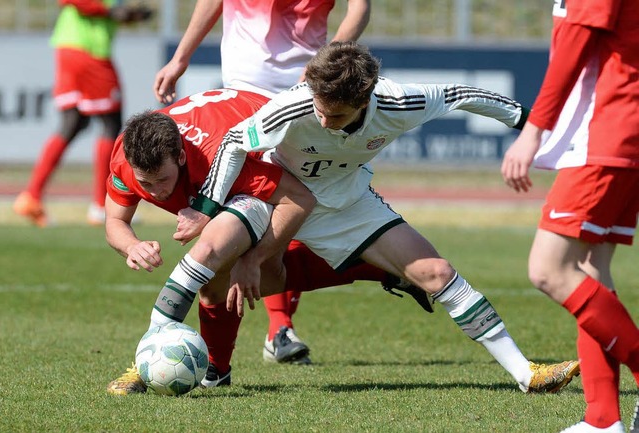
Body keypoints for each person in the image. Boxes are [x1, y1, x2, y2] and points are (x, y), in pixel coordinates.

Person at [168, 42, 581, 397]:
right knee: (214, 269)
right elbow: (235, 143)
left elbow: (464, 94)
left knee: (438, 272)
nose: (325, 122)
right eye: (320, 111)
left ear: (366, 101)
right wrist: (206, 210)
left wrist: (530, 125)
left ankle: (527, 374)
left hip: (347, 203)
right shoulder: (294, 105)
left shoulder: (400, 102)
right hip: (279, 198)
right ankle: (187, 361)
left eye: (337, 116)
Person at [105, 88, 424, 394]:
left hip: (283, 159)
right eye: (145, 183)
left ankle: (144, 368)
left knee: (212, 257)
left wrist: (256, 258)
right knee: (223, 282)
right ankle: (217, 372)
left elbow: (297, 199)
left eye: (163, 180)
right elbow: (115, 222)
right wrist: (132, 245)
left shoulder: (220, 159)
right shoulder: (126, 155)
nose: (156, 192)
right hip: (235, 133)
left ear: (181, 157)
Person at [152, 0, 372, 365]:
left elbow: (359, 9)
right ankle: (253, 344)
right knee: (245, 220)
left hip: (307, 98)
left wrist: (323, 67)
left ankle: (276, 330)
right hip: (241, 97)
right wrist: (180, 57)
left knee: (295, 215)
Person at [500, 0, 639, 431]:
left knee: (548, 269)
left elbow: (572, 53)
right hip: (617, 131)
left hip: (607, 132)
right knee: (589, 271)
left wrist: (531, 134)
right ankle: (602, 420)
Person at [13, 0, 152, 227]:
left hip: (73, 49)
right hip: (88, 52)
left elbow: (110, 13)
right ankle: (101, 204)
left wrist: (129, 15)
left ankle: (31, 196)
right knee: (110, 121)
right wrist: (110, 10)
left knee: (73, 123)